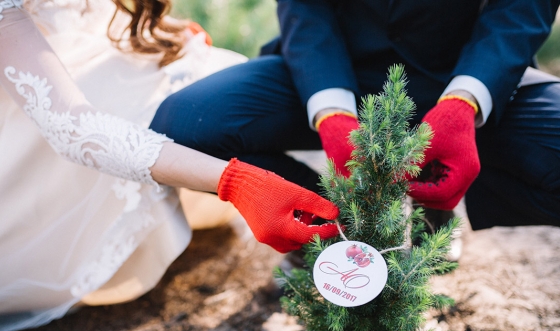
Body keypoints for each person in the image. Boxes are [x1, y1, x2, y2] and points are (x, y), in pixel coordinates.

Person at [0, 0, 340, 331]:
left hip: (109, 48)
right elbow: (72, 130)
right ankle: (328, 238)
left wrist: (153, 29)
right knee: (173, 126)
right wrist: (234, 180)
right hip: (42, 103)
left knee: (208, 92)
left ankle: (340, 220)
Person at [150, 0, 560, 240]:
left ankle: (433, 207)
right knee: (184, 129)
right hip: (333, 64)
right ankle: (337, 229)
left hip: (462, 66)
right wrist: (331, 112)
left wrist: (466, 101)